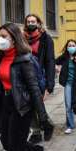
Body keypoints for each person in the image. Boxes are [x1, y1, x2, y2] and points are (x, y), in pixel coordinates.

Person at [0, 23, 49, 151]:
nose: (0, 40)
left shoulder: (26, 59)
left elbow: (33, 87)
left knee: (16, 145)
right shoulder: (1, 56)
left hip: (22, 106)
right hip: (5, 102)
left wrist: (42, 115)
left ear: (14, 39)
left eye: (4, 37)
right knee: (5, 140)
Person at [23, 14, 55, 142]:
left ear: (38, 23)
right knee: (28, 104)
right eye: (29, 21)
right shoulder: (21, 38)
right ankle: (37, 131)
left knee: (37, 103)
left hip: (38, 76)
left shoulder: (46, 38)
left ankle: (46, 125)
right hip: (24, 75)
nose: (31, 23)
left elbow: (50, 61)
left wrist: (50, 84)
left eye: (33, 21)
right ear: (26, 23)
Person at [56, 39, 76, 134]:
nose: (71, 47)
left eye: (73, 45)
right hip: (68, 84)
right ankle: (70, 125)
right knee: (68, 106)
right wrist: (57, 67)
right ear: (67, 48)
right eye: (69, 46)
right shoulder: (64, 57)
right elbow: (54, 62)